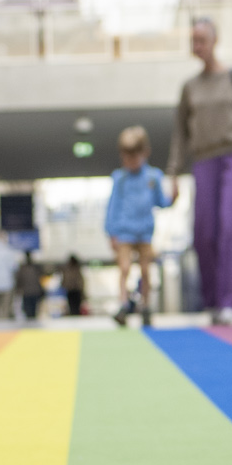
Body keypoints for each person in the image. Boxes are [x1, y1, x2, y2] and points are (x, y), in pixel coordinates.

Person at [168, 16, 232, 322]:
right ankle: (213, 302)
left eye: (201, 39)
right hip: (203, 161)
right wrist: (173, 173)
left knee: (230, 228)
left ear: (215, 40)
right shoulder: (189, 87)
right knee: (203, 233)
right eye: (193, 40)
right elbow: (180, 133)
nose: (197, 45)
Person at [104, 126, 171, 326]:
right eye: (126, 157)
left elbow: (161, 201)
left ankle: (146, 306)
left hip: (145, 232)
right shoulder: (120, 178)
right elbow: (113, 206)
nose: (130, 161)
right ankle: (123, 304)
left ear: (145, 153)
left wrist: (173, 198)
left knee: (145, 270)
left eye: (134, 156)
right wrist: (111, 232)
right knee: (124, 268)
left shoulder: (153, 177)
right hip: (124, 231)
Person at [16, 250, 46, 320]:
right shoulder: (36, 268)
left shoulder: (23, 268)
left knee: (29, 310)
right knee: (33, 310)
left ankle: (31, 322)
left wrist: (18, 289)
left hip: (28, 292)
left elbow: (19, 280)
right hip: (34, 291)